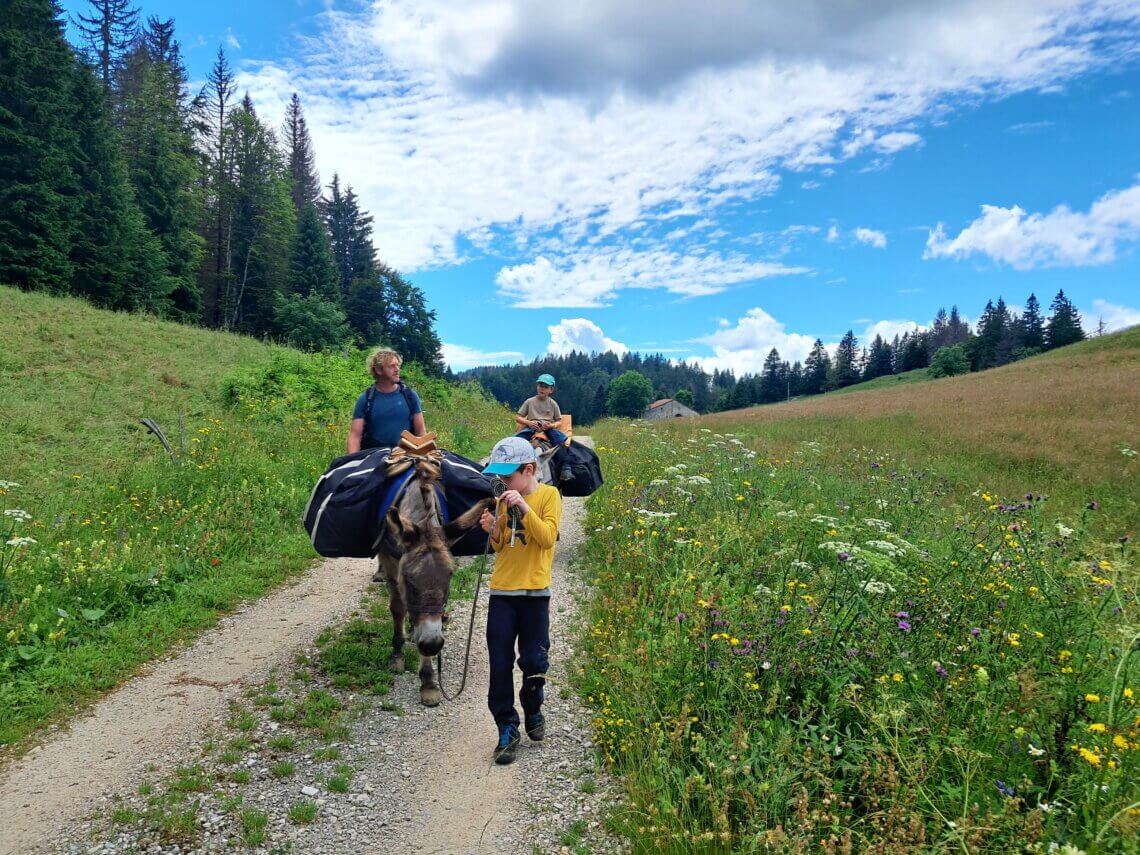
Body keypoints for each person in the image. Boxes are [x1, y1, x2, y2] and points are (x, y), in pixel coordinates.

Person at [479, 436, 563, 765]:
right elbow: (503, 547)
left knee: (534, 660)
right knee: (499, 662)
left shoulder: (549, 496)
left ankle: (532, 703)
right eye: (499, 477)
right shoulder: (502, 501)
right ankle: (506, 727)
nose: (502, 483)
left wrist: (525, 506)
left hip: (534, 595)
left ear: (529, 470)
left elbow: (545, 540)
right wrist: (493, 531)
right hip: (502, 593)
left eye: (508, 476)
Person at [346, 348, 426, 453]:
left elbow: (421, 433)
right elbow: (355, 437)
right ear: (378, 370)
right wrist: (353, 463)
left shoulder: (410, 396)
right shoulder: (366, 399)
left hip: (404, 456)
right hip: (373, 456)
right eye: (392, 366)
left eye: (398, 365)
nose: (397, 369)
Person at [514, 373, 573, 483]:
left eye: (545, 387)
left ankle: (566, 468)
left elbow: (559, 420)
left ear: (551, 390)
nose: (542, 389)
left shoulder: (553, 404)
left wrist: (551, 425)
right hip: (531, 427)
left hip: (548, 428)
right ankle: (502, 466)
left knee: (562, 442)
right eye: (540, 385)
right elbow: (518, 417)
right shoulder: (529, 401)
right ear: (537, 386)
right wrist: (528, 422)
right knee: (514, 441)